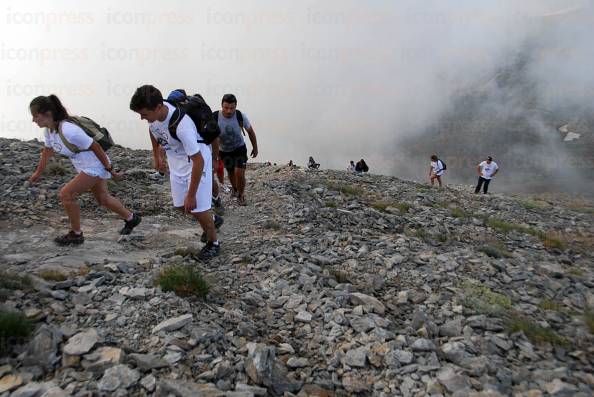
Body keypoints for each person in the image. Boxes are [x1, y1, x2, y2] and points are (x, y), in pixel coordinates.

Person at [29, 95, 141, 245]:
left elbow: (95, 146)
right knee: (103, 199)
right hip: (85, 166)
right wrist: (38, 172)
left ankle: (76, 234)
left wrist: (109, 169)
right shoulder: (49, 132)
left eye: (35, 116)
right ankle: (131, 218)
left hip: (95, 165)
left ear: (47, 114)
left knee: (66, 195)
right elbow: (47, 151)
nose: (33, 120)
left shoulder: (69, 130)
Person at [129, 85, 220, 260]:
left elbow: (199, 160)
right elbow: (153, 130)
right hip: (176, 161)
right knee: (180, 206)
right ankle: (212, 219)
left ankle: (213, 243)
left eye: (144, 114)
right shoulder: (154, 117)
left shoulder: (182, 125)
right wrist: (157, 155)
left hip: (195, 160)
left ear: (157, 107)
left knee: (197, 207)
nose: (142, 118)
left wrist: (192, 194)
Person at [213, 94, 258, 206]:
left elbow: (250, 131)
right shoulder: (215, 117)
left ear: (235, 106)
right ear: (221, 106)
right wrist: (214, 154)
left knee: (239, 172)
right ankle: (235, 189)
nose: (229, 111)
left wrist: (255, 147)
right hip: (224, 151)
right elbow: (210, 136)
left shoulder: (240, 115)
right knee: (231, 172)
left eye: (232, 108)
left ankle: (241, 195)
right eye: (226, 108)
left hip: (239, 148)